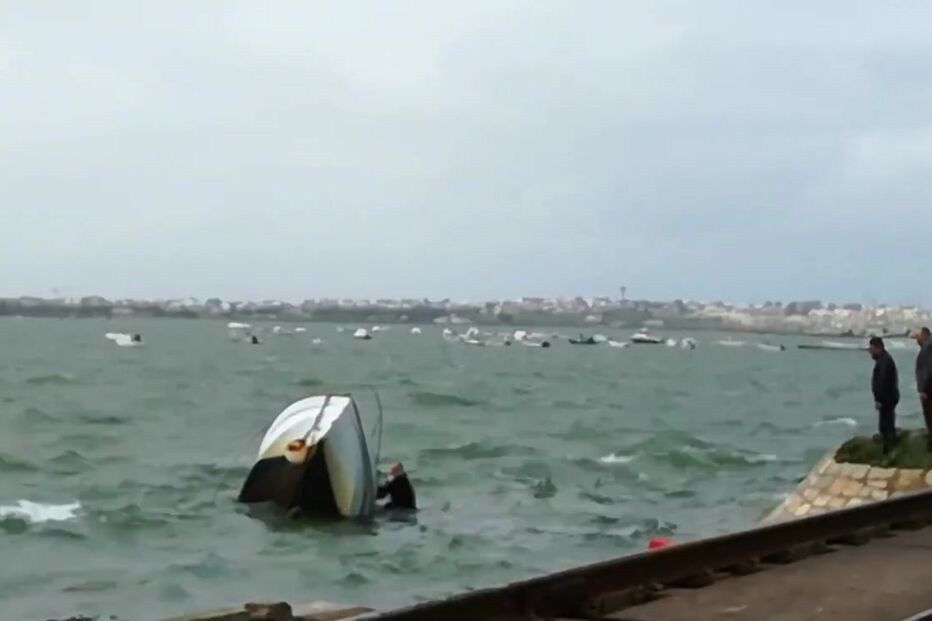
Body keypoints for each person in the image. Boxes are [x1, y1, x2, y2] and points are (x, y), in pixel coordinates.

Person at [869, 337, 899, 454]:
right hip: (888, 397)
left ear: (878, 348)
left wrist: (879, 400)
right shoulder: (883, 360)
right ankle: (889, 447)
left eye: (872, 349)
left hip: (887, 398)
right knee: (886, 424)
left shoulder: (885, 361)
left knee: (886, 426)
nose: (870, 352)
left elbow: (883, 382)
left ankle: (889, 450)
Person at [915, 327, 932, 449]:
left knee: (929, 416)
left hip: (928, 390)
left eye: (918, 335)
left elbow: (927, 370)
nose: (916, 338)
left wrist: (924, 389)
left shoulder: (927, 350)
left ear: (925, 335)